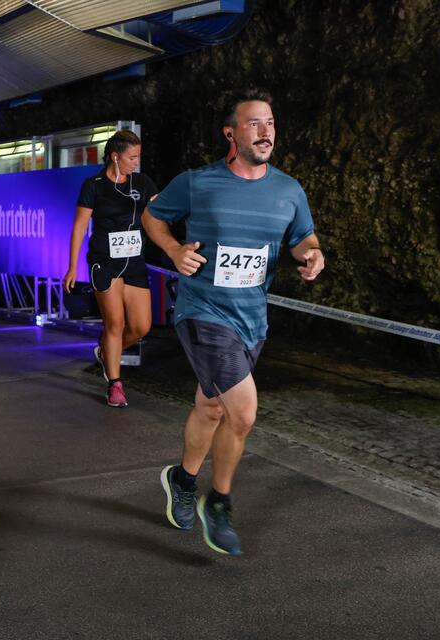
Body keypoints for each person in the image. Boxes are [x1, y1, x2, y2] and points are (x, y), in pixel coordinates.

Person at [142, 88, 325, 556]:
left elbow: (303, 237)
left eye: (270, 123)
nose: (265, 132)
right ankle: (218, 502)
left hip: (252, 319)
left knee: (212, 408)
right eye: (253, 123)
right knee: (242, 411)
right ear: (231, 132)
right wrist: (174, 250)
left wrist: (311, 256)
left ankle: (181, 481)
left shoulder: (288, 189)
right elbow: (153, 217)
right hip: (203, 311)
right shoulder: (197, 182)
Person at [63, 130, 158, 407]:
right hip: (104, 262)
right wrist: (71, 267)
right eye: (132, 157)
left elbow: (159, 213)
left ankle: (106, 352)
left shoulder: (142, 182)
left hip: (135, 262)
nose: (136, 163)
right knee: (115, 323)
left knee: (141, 326)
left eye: (138, 157)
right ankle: (115, 385)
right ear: (115, 157)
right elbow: (80, 227)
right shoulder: (93, 185)